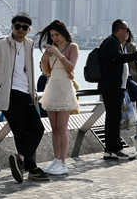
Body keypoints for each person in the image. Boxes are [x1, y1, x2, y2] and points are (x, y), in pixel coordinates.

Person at [0, 13, 48, 182]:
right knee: (20, 131)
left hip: (27, 94)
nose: (20, 29)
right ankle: (32, 168)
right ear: (12, 27)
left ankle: (22, 160)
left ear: (28, 30)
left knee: (38, 128)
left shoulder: (29, 44)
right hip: (9, 94)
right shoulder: (1, 44)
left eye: (24, 27)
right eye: (17, 26)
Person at [98, 19, 137, 160]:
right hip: (112, 87)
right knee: (114, 119)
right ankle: (117, 149)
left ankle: (109, 150)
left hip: (115, 86)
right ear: (120, 30)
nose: (128, 33)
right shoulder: (112, 43)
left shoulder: (114, 43)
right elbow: (119, 58)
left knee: (112, 119)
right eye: (127, 30)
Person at [36, 20, 79, 176]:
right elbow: (47, 71)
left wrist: (59, 54)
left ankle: (63, 162)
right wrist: (44, 58)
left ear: (64, 33)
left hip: (64, 89)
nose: (54, 38)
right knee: (54, 129)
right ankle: (56, 159)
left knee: (62, 128)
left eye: (57, 35)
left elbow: (71, 67)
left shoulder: (72, 47)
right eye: (52, 35)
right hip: (52, 86)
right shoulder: (52, 48)